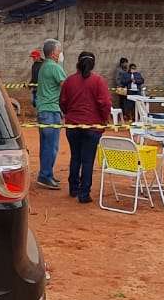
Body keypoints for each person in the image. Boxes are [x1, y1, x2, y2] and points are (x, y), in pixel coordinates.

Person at [61, 50, 112, 203]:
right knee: (88, 160)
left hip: (73, 125)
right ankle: (84, 194)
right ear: (93, 64)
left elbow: (62, 102)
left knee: (75, 157)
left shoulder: (69, 81)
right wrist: (104, 119)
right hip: (92, 127)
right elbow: (105, 103)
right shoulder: (98, 81)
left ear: (78, 63)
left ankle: (73, 188)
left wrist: (70, 113)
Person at [33, 39, 67, 189]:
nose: (60, 54)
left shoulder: (44, 66)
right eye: (59, 51)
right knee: (51, 146)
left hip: (43, 110)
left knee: (46, 145)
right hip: (51, 110)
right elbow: (66, 87)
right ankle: (45, 176)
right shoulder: (55, 67)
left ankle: (47, 173)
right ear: (53, 53)